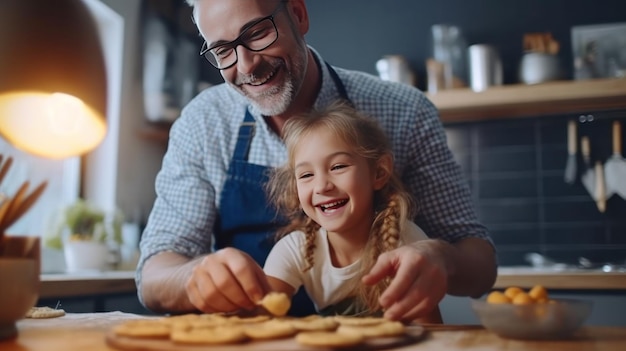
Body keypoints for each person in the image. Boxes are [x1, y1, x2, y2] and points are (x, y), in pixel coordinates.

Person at [137, 0, 497, 322]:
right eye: (223, 51)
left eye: (258, 32)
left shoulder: (406, 112)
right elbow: (153, 277)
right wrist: (192, 277)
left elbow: (480, 263)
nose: (246, 65)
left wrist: (444, 259)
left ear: (298, 13)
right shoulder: (203, 122)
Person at [263, 101, 442, 323]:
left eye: (338, 167)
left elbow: (431, 334)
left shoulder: (408, 243)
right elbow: (260, 319)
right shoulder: (293, 250)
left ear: (379, 172)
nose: (321, 187)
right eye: (306, 175)